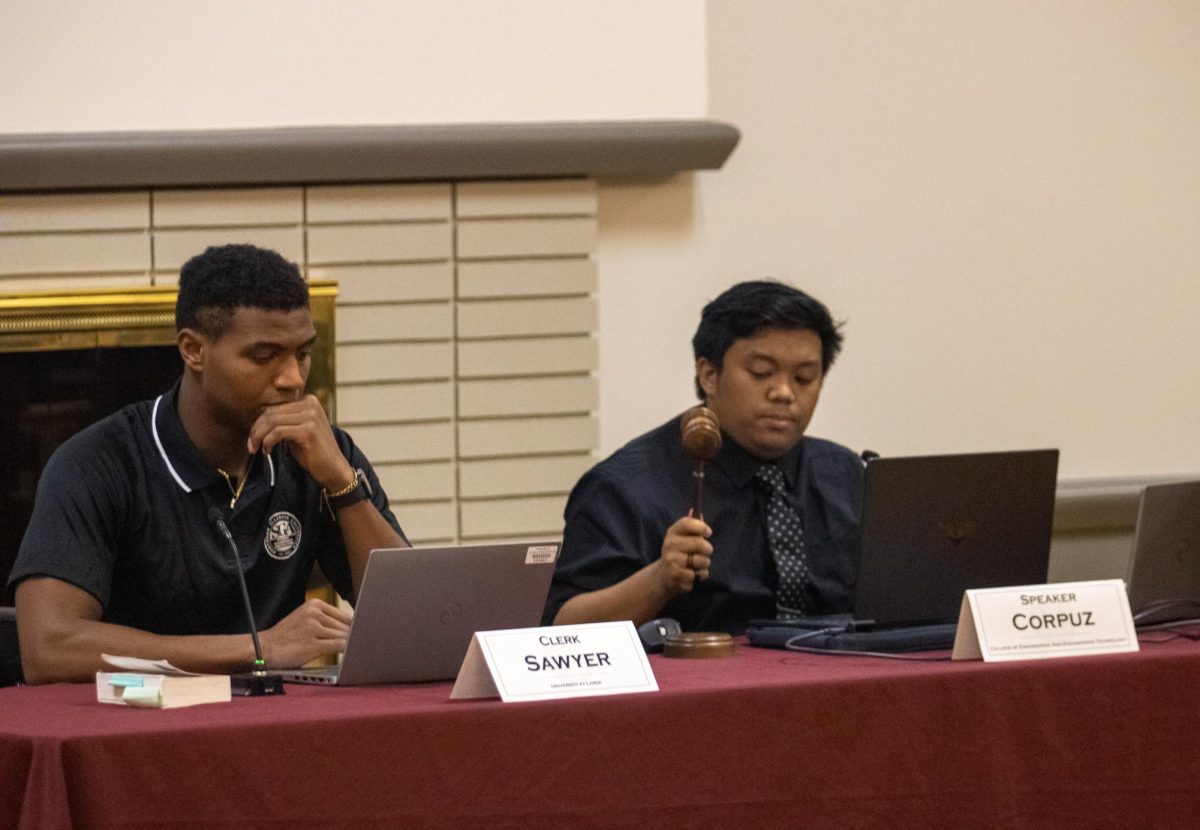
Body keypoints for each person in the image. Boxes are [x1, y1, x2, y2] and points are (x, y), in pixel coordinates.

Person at [9, 244, 408, 684]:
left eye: (303, 353)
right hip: (138, 729)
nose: (293, 378)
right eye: (263, 356)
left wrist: (342, 482)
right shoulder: (96, 463)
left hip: (278, 728)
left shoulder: (322, 454)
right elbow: (48, 649)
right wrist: (258, 648)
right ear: (193, 350)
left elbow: (413, 625)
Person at [543, 280, 864, 634]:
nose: (784, 393)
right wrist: (658, 580)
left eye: (804, 377)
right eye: (761, 373)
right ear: (708, 374)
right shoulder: (625, 488)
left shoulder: (846, 475)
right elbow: (560, 627)